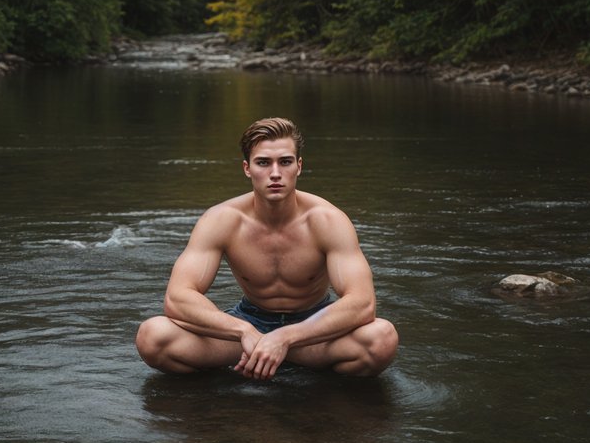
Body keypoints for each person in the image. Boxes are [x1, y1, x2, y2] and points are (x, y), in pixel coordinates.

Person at [135, 117, 399, 379]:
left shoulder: (328, 221)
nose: (275, 173)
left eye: (284, 162)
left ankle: (271, 357)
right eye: (263, 162)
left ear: (299, 166)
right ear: (247, 168)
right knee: (153, 337)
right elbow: (177, 298)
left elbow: (362, 303)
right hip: (248, 326)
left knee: (382, 338)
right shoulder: (222, 220)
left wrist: (286, 338)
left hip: (312, 331)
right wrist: (243, 331)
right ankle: (266, 355)